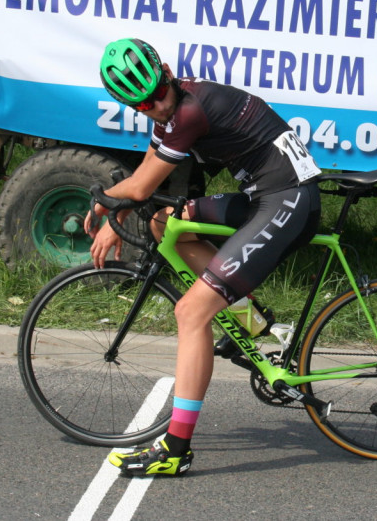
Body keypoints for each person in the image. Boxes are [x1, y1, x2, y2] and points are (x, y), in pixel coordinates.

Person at [85, 37, 322, 477]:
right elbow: (143, 181)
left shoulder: (188, 112)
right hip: (264, 193)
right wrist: (115, 206)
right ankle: (249, 320)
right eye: (142, 105)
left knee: (191, 312)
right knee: (163, 223)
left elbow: (135, 189)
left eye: (158, 93)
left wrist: (102, 203)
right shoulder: (175, 108)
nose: (155, 106)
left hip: (285, 199)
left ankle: (175, 449)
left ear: (168, 73)